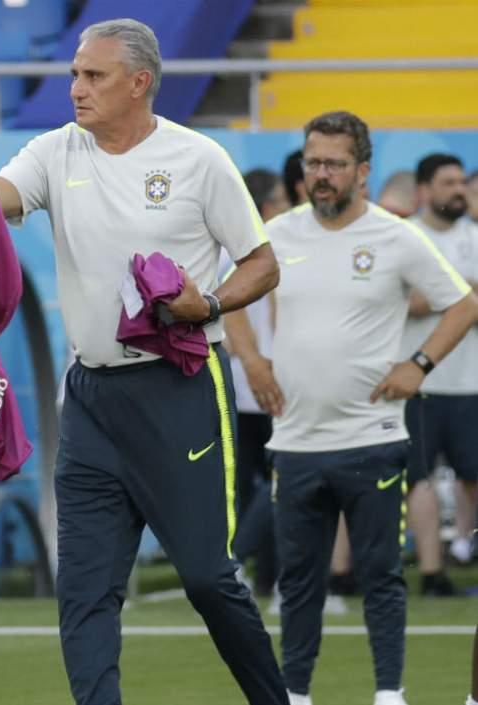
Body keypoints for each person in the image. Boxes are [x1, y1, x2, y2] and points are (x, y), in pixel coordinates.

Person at [0, 18, 286, 705]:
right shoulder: (56, 151)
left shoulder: (199, 159)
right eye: (73, 73)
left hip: (180, 389)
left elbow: (264, 263)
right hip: (91, 397)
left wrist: (207, 305)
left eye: (93, 76)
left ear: (139, 82)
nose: (76, 88)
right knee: (85, 589)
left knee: (209, 578)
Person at [228, 111, 478, 705]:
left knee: (381, 576)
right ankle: (296, 693)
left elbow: (464, 305)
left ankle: (388, 693)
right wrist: (254, 362)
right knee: (300, 581)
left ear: (362, 171)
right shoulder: (277, 235)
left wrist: (416, 367)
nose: (322, 175)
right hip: (294, 440)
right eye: (313, 162)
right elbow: (229, 298)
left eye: (335, 164)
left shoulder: (396, 237)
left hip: (372, 435)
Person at [401, 153, 478, 583]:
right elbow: (400, 304)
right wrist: (462, 297)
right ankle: (432, 570)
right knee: (420, 479)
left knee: (473, 477)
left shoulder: (475, 236)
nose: (459, 190)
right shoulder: (405, 237)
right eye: (448, 182)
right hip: (420, 381)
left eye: (461, 182)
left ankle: (464, 549)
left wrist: (437, 296)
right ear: (425, 190)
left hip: (472, 381)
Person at [225, 168, 289, 598]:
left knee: (252, 487)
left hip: (242, 386)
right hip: (265, 384)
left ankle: (266, 574)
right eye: (283, 198)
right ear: (266, 205)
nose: (288, 206)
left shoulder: (229, 245)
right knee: (278, 483)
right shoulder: (268, 248)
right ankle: (239, 562)